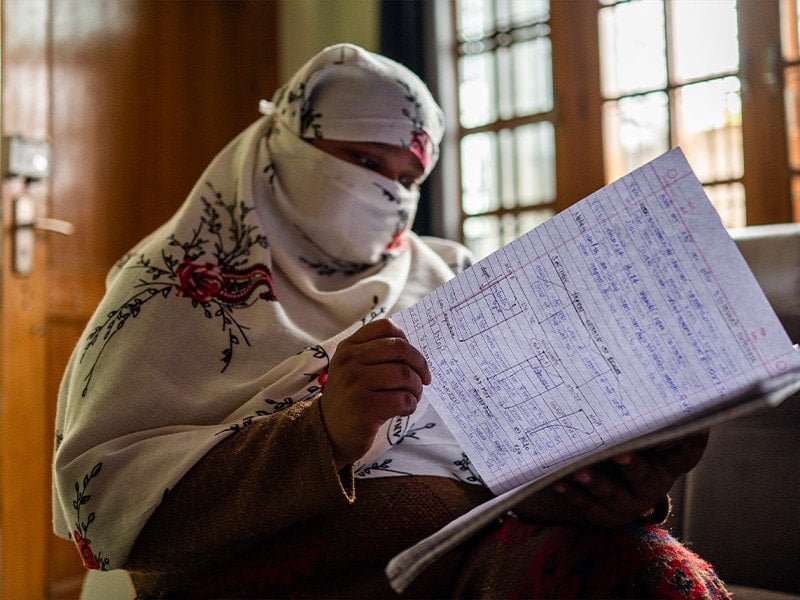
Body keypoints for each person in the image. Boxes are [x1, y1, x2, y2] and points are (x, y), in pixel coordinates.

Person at [52, 43, 729, 599]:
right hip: (296, 576)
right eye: (367, 162)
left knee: (642, 570)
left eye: (408, 178)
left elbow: (504, 457)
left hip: (466, 552)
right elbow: (120, 513)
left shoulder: (449, 270)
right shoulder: (174, 289)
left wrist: (609, 492)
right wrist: (321, 436)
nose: (389, 195)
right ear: (281, 146)